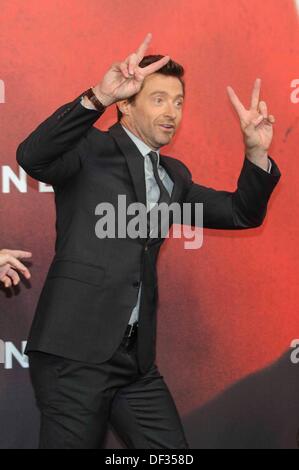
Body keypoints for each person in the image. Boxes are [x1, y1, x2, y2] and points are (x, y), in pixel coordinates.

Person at [16, 32, 281, 449]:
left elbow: (240, 212)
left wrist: (256, 155)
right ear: (126, 104)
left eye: (178, 102)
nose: (172, 112)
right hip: (74, 353)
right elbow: (32, 157)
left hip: (135, 364)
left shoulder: (174, 176)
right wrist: (97, 96)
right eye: (158, 99)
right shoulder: (89, 149)